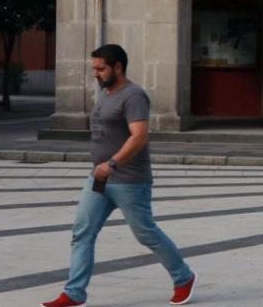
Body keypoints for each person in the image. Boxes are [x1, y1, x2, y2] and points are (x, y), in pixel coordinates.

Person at [42, 44, 197, 307]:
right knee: (82, 232)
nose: (96, 74)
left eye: (100, 69)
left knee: (145, 233)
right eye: (94, 69)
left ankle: (183, 277)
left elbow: (140, 137)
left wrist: (112, 163)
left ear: (118, 67)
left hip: (129, 180)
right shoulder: (105, 92)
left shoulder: (134, 96)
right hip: (99, 179)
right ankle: (74, 293)